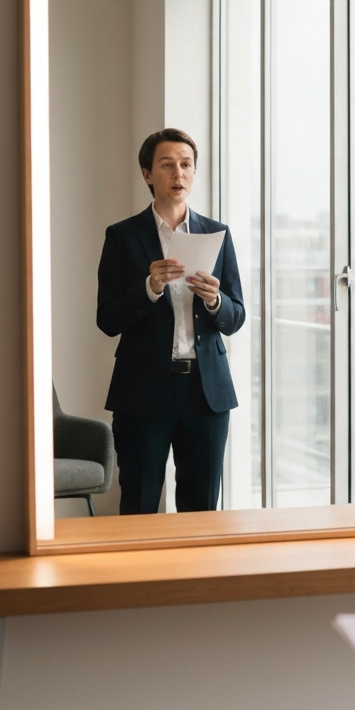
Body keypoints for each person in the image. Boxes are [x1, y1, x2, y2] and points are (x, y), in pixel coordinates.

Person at [96, 128, 244, 514]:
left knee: (201, 511)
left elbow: (237, 315)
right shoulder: (123, 237)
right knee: (140, 506)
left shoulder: (217, 235)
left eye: (186, 164)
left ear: (194, 173)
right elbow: (107, 319)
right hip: (143, 392)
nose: (178, 173)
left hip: (206, 392)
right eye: (167, 165)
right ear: (148, 174)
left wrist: (215, 301)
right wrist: (148, 287)